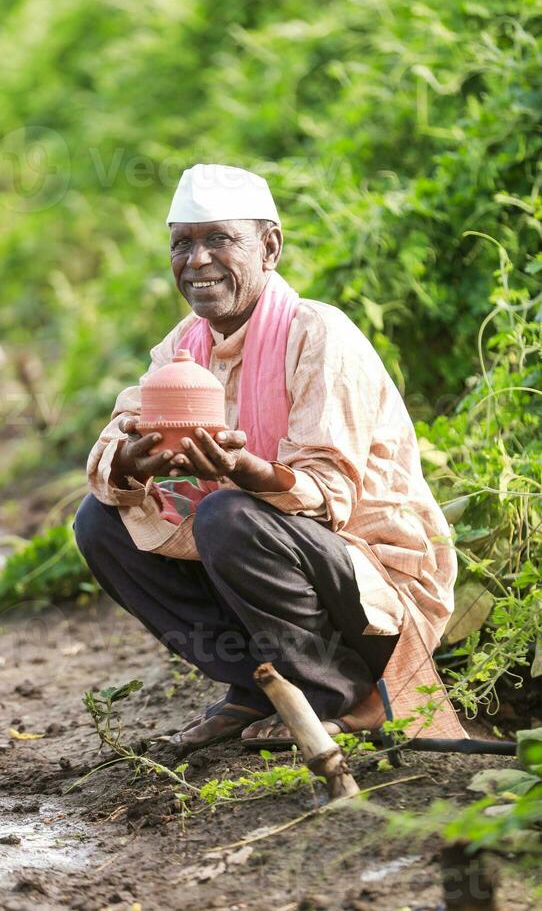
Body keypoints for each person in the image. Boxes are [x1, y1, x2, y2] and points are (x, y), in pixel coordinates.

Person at [74, 163, 466, 751]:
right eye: (182, 244)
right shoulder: (183, 348)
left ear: (270, 247)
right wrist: (135, 458)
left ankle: (352, 694)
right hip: (273, 558)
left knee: (226, 514)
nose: (197, 261)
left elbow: (329, 494)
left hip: (374, 581)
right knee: (99, 522)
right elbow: (115, 445)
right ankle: (256, 684)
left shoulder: (318, 335)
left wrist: (237, 469)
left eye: (218, 240)